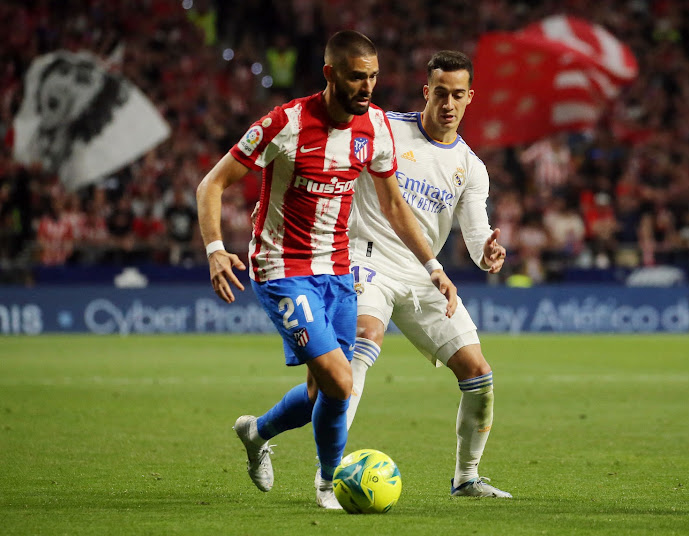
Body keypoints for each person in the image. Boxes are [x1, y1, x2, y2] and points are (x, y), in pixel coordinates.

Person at [195, 30, 457, 510]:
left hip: (339, 270)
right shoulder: (285, 124)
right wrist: (215, 248)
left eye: (373, 77)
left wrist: (433, 265)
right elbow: (211, 184)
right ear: (330, 74)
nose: (367, 87)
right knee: (341, 380)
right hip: (281, 267)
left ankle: (257, 433)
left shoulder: (374, 127)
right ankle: (330, 480)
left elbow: (395, 205)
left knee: (323, 392)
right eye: (357, 77)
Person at [344, 50, 511, 498]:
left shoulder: (471, 168)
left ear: (470, 97)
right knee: (364, 341)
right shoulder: (387, 129)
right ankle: (328, 473)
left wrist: (488, 254)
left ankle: (466, 479)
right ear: (426, 92)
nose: (449, 104)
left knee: (479, 374)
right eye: (441, 93)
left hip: (423, 275)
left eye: (458, 95)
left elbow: (477, 239)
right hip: (368, 258)